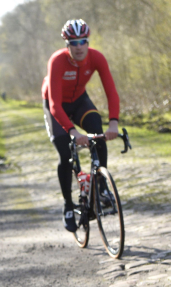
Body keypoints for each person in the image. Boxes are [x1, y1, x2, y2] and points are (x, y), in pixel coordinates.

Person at [42, 19, 120, 232]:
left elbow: (111, 92)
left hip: (78, 100)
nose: (79, 46)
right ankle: (68, 204)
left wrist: (113, 122)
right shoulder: (57, 61)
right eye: (73, 42)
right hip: (55, 105)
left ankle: (102, 187)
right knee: (65, 153)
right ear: (67, 44)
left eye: (83, 41)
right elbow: (55, 105)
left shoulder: (97, 58)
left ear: (88, 42)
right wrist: (73, 132)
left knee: (97, 129)